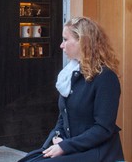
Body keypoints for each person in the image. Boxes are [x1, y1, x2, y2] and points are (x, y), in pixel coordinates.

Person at [19, 16, 124, 162]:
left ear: (83, 41)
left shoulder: (106, 78)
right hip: (73, 147)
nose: (61, 45)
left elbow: (103, 129)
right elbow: (63, 117)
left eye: (65, 40)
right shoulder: (71, 75)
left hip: (96, 152)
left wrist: (65, 147)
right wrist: (57, 137)